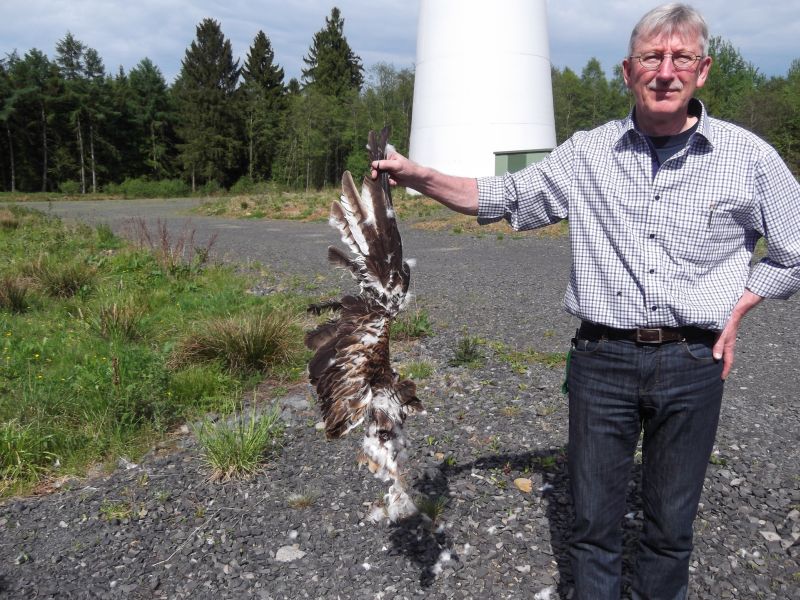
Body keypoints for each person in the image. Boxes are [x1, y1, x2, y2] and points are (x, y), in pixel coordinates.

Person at [371, 3, 800, 599]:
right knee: (594, 529)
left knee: (671, 530)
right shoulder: (588, 152)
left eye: (681, 58)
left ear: (703, 71)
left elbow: (795, 247)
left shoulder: (748, 157)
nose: (665, 71)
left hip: (693, 364)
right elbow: (506, 196)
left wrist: (742, 305)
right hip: (602, 362)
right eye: (652, 58)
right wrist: (419, 175)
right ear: (628, 71)